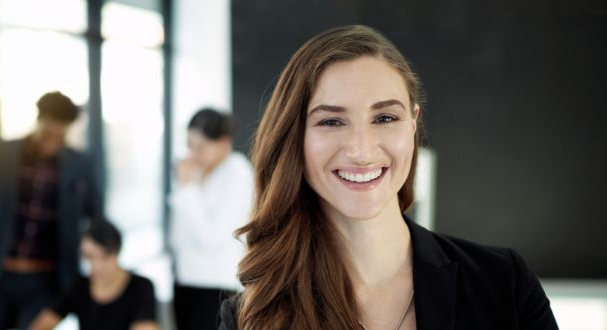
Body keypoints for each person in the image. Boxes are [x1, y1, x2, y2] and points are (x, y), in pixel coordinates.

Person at [218, 25, 558, 330]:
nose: (362, 151)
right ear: (294, 137)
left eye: (384, 118)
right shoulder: (254, 315)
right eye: (331, 122)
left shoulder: (503, 283)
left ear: (413, 124)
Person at [0, 91, 103, 329]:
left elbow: (97, 219)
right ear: (38, 121)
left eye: (60, 137)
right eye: (48, 133)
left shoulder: (81, 165)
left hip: (46, 281)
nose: (52, 143)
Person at [169, 108, 253, 330]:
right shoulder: (199, 171)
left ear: (223, 143)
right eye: (189, 145)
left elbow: (211, 239)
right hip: (185, 281)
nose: (192, 155)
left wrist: (187, 189)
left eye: (200, 147)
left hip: (215, 288)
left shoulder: (237, 173)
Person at [29, 219, 158, 330]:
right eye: (89, 257)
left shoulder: (141, 287)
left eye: (103, 258)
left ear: (116, 253)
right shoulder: (80, 286)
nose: (95, 266)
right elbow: (43, 324)